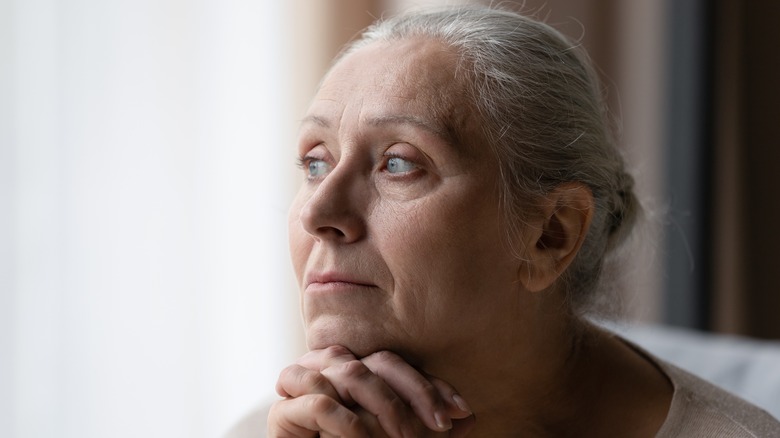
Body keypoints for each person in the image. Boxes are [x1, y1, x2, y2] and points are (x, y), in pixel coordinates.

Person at [253, 5, 780, 437]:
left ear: (551, 235)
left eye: (399, 163)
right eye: (315, 162)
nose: (319, 214)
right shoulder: (293, 429)